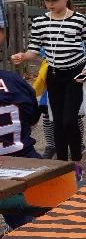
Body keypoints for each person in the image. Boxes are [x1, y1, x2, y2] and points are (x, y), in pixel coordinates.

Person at [10, 0, 86, 180]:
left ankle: (76, 159)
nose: (49, 3)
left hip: (76, 73)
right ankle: (61, 164)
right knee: (56, 120)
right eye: (46, 0)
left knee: (69, 120)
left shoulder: (79, 20)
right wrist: (23, 56)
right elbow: (34, 50)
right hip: (54, 74)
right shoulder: (40, 22)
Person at [0, 68, 42, 229]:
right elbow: (33, 118)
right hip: (26, 157)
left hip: (7, 171)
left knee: (21, 219)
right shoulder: (14, 80)